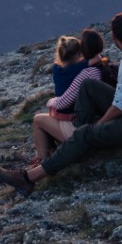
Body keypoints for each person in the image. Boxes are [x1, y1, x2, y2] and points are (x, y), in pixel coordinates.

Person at [0, 12, 122, 198]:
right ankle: (77, 137)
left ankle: (28, 179)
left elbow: (121, 105)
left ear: (114, 37)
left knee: (84, 134)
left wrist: (99, 125)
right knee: (88, 86)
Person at [31, 28, 105, 164]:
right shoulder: (85, 68)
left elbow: (62, 103)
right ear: (79, 53)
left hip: (75, 125)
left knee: (38, 119)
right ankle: (49, 156)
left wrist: (51, 102)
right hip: (89, 121)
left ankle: (42, 162)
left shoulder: (57, 69)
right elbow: (97, 58)